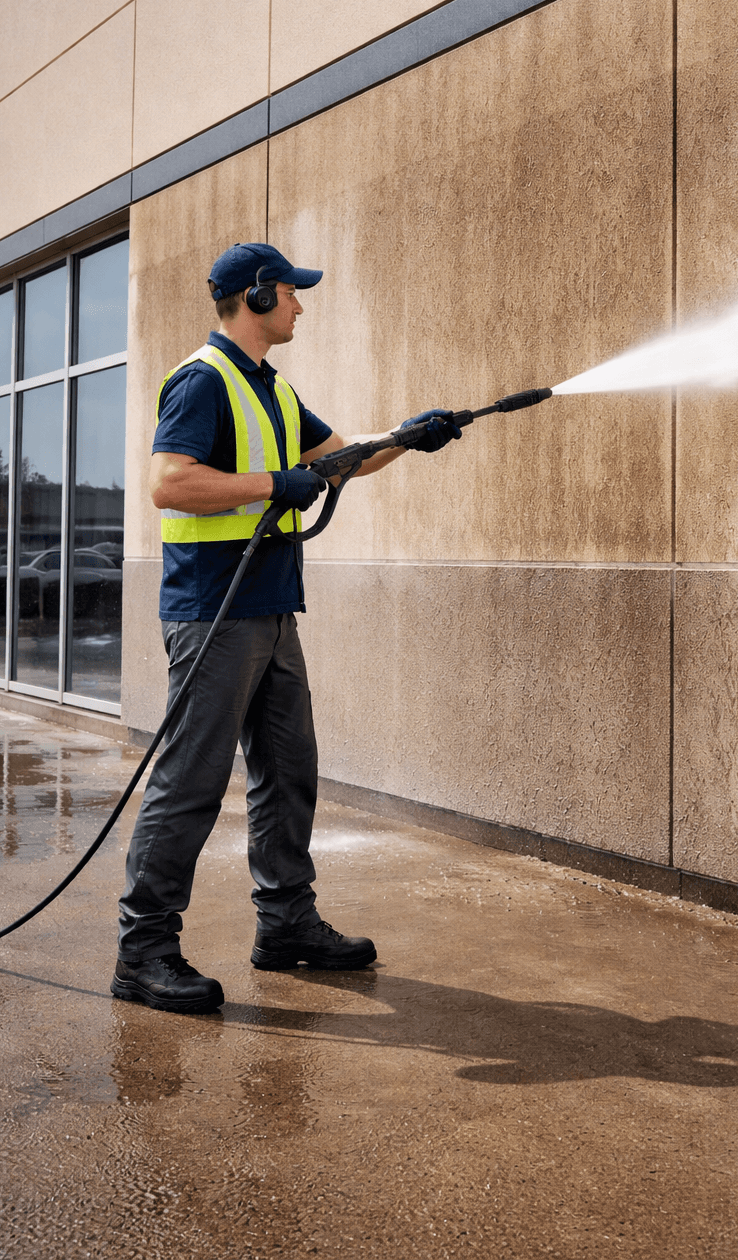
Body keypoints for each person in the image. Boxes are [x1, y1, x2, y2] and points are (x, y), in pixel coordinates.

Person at [111, 242, 460, 1014]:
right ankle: (144, 953)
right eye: (293, 294)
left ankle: (286, 926)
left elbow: (338, 462)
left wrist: (406, 437)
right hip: (214, 612)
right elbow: (171, 482)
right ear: (258, 296)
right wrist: (276, 482)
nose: (301, 306)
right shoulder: (203, 380)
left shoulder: (272, 390)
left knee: (288, 769)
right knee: (191, 783)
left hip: (270, 608)